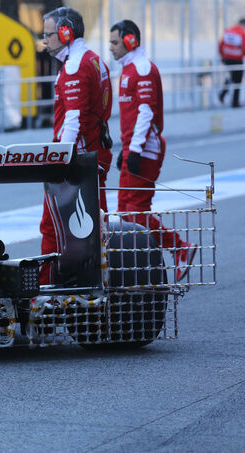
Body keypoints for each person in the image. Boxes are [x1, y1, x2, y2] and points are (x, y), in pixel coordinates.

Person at [110, 20, 196, 282]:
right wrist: (125, 149)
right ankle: (136, 266)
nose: (111, 48)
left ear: (130, 41)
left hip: (145, 149)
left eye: (115, 42)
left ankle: (180, 247)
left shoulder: (143, 68)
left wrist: (134, 150)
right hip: (135, 147)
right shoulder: (128, 68)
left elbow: (146, 112)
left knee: (135, 213)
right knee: (125, 212)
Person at [38, 7, 113, 283]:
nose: (44, 41)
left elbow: (73, 119)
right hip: (95, 156)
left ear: (66, 32)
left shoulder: (74, 64)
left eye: (48, 35)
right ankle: (98, 285)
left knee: (51, 228)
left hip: (77, 162)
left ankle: (45, 294)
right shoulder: (94, 60)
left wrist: (60, 160)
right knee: (97, 229)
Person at [218, 18, 245, 108]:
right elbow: (244, 47)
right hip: (237, 60)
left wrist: (223, 56)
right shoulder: (241, 33)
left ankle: (222, 94)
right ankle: (235, 102)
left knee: (230, 77)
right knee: (237, 81)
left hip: (226, 59)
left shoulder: (228, 31)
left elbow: (221, 45)